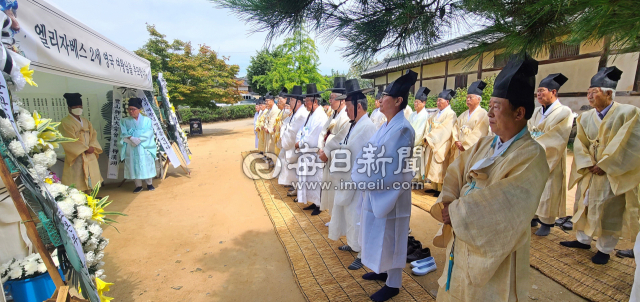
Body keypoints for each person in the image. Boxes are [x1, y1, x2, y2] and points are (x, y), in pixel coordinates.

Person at [430, 54, 549, 301]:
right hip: (462, 235)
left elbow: (504, 206)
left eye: (496, 107)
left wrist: (456, 211)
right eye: (490, 106)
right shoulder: (485, 144)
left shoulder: (531, 155)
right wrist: (449, 201)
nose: (490, 114)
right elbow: (455, 172)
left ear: (519, 113)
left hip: (494, 250)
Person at [560, 66, 640, 264]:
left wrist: (606, 164)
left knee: (609, 209)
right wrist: (587, 162)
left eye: (593, 92)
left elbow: (630, 143)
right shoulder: (586, 117)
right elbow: (579, 142)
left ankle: (604, 249)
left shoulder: (628, 113)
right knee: (585, 204)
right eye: (588, 92)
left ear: (609, 93)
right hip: (590, 171)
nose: (589, 96)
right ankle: (583, 240)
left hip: (612, 172)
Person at [352, 70, 417, 302]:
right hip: (375, 187)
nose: (380, 101)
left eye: (385, 96)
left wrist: (365, 178)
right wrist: (362, 174)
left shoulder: (402, 129)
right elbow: (367, 152)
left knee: (392, 236)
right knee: (377, 232)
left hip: (392, 192)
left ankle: (394, 283)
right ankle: (382, 270)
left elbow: (391, 167)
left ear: (398, 101)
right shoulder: (385, 124)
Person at [328, 79, 376, 270]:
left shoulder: (368, 127)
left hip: (359, 182)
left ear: (358, 106)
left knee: (359, 217)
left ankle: (362, 252)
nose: (346, 110)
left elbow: (367, 157)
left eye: (348, 106)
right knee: (349, 215)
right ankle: (353, 243)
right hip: (348, 179)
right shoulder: (354, 124)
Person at [528, 73, 574, 236]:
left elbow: (558, 137)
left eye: (542, 91)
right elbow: (529, 129)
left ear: (553, 92)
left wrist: (534, 145)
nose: (538, 94)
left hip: (550, 156)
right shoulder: (536, 111)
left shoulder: (564, 112)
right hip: (532, 154)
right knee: (532, 188)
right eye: (537, 92)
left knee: (548, 190)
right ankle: (532, 217)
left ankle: (546, 223)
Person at [295, 83, 329, 215]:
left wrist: (300, 143)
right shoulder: (311, 114)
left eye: (306, 101)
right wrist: (298, 140)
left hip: (315, 153)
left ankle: (320, 205)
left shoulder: (320, 116)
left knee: (317, 179)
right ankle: (314, 202)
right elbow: (302, 131)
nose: (305, 104)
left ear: (314, 101)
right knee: (311, 179)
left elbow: (312, 137)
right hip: (307, 152)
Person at [318, 77, 350, 216]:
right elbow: (323, 132)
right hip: (328, 155)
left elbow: (341, 138)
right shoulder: (333, 115)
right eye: (330, 98)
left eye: (332, 98)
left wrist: (327, 148)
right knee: (330, 189)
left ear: (342, 100)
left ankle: (338, 219)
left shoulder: (346, 116)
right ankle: (333, 217)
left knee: (337, 189)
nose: (330, 101)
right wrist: (321, 148)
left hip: (336, 158)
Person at [59, 93, 103, 192]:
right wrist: (85, 148)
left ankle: (92, 196)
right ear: (69, 108)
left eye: (80, 106)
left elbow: (93, 134)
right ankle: (80, 199)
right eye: (75, 106)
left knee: (92, 175)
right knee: (78, 177)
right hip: (77, 155)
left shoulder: (85, 121)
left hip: (90, 153)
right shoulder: (65, 122)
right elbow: (68, 139)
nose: (78, 108)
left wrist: (92, 146)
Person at [118, 98, 158, 193]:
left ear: (139, 109)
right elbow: (122, 133)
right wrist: (131, 138)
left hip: (144, 145)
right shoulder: (124, 121)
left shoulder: (147, 120)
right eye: (129, 109)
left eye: (133, 109)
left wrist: (139, 139)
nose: (131, 111)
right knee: (133, 164)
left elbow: (149, 132)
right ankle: (138, 185)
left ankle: (149, 183)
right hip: (131, 145)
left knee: (146, 163)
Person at [423, 89, 457, 197]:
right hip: (433, 141)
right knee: (432, 165)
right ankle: (434, 187)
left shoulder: (451, 114)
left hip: (442, 142)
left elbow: (445, 129)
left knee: (439, 165)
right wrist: (427, 137)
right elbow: (428, 125)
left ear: (447, 102)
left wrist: (432, 137)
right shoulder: (436, 113)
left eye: (440, 100)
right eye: (437, 101)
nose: (438, 103)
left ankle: (440, 189)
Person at [278, 86, 309, 194]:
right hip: (293, 144)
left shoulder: (301, 114)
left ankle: (297, 188)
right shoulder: (296, 113)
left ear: (298, 102)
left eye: (291, 100)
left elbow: (292, 131)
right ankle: (295, 187)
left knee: (296, 168)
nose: (289, 102)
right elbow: (286, 126)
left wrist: (284, 137)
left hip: (296, 144)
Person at [450, 81, 490, 162]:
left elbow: (479, 133)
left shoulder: (483, 114)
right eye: (467, 97)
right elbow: (455, 127)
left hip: (472, 149)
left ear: (478, 99)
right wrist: (456, 140)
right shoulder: (463, 114)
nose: (468, 99)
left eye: (470, 97)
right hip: (459, 148)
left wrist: (465, 145)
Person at [409, 87, 430, 181]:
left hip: (417, 143)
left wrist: (411, 142)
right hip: (409, 141)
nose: (416, 104)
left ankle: (416, 180)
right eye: (415, 102)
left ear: (424, 103)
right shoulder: (412, 115)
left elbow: (419, 133)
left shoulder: (425, 116)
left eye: (418, 102)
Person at [263, 93, 281, 162]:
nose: (266, 103)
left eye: (268, 101)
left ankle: (272, 162)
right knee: (268, 147)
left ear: (272, 101)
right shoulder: (269, 110)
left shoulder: (275, 110)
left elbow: (272, 121)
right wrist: (265, 127)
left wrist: (268, 129)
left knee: (272, 148)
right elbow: (265, 120)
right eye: (266, 101)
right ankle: (269, 160)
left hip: (272, 132)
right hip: (267, 131)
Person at [274, 88, 289, 156]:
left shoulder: (288, 110)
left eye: (280, 99)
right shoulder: (282, 110)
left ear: (285, 99)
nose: (278, 101)